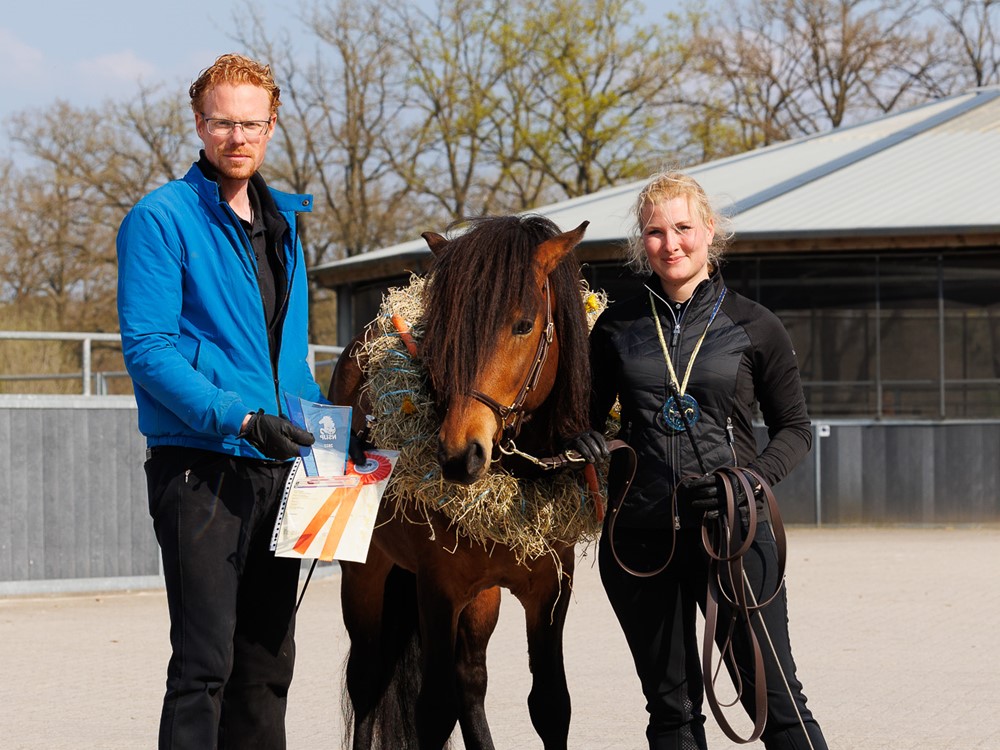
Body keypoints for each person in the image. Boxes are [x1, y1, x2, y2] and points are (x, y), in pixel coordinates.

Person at [117, 53, 347, 749]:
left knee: (267, 668)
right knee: (204, 667)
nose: (237, 137)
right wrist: (240, 418)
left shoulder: (284, 224)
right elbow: (149, 349)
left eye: (251, 124)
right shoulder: (161, 219)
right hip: (202, 467)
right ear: (199, 124)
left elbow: (289, 363)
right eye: (222, 123)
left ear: (271, 127)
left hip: (280, 468)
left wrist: (335, 442)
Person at [570, 172, 828, 749]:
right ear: (642, 241)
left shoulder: (755, 324)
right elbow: (583, 417)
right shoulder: (616, 326)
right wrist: (584, 439)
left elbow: (795, 430)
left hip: (733, 534)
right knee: (672, 713)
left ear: (710, 230)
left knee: (777, 704)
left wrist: (749, 479)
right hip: (638, 540)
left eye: (683, 227)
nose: (671, 244)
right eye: (655, 232)